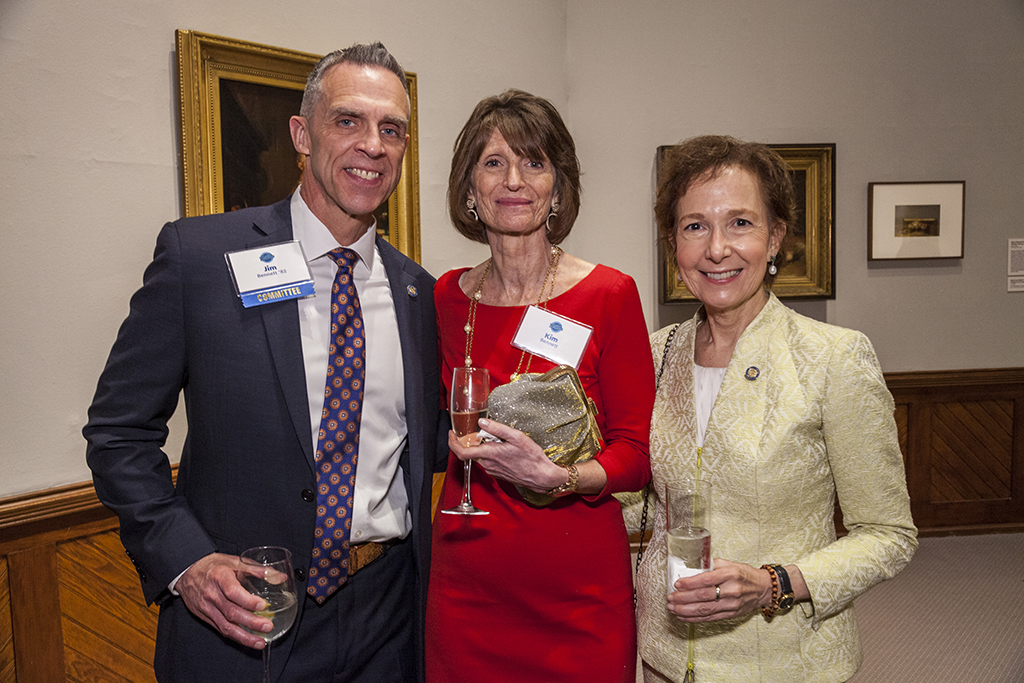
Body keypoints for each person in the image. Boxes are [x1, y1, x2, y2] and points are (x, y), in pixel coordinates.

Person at [84, 43, 443, 682]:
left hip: (386, 618)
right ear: (302, 134)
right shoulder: (201, 259)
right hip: (243, 622)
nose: (373, 144)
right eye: (348, 121)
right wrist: (186, 561)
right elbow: (118, 433)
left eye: (392, 129)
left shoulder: (418, 292)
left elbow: (422, 439)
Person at [625, 134, 918, 682]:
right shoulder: (652, 354)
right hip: (664, 655)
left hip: (783, 659)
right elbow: (628, 501)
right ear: (673, 243)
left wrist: (774, 583)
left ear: (776, 236)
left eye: (740, 223)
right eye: (694, 226)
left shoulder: (834, 357)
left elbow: (888, 535)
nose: (716, 249)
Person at [424, 89, 654, 683]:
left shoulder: (609, 295)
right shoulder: (447, 297)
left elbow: (637, 451)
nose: (514, 181)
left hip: (577, 588)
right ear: (470, 187)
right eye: (493, 162)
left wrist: (563, 478)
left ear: (558, 184)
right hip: (467, 584)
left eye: (534, 162)